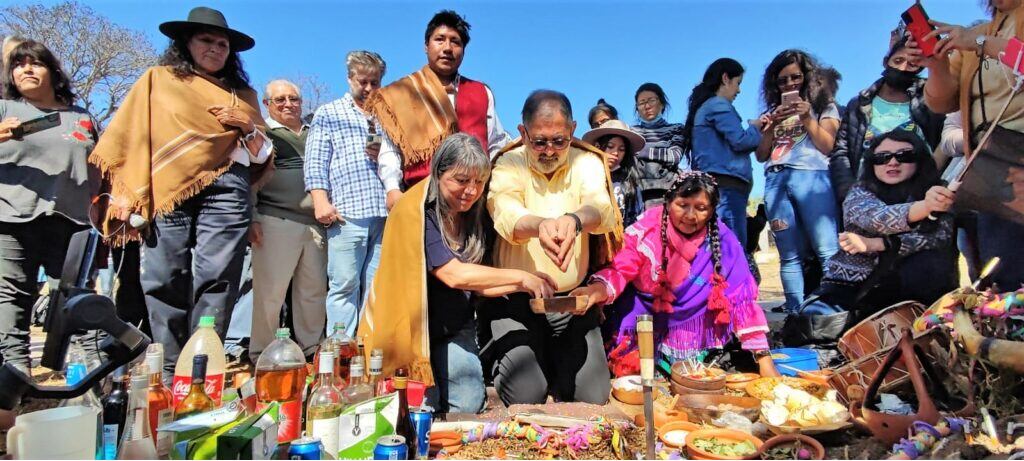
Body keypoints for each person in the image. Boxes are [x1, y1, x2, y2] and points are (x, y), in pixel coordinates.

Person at [90, 7, 271, 374]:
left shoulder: (243, 95)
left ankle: (203, 366)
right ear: (185, 43)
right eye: (206, 40)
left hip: (229, 187)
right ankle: (170, 366)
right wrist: (125, 191)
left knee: (219, 277)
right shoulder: (158, 80)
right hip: (167, 188)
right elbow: (132, 137)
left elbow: (263, 155)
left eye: (223, 44)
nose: (216, 48)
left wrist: (246, 125)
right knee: (163, 274)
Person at [358, 133, 555, 413]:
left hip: (455, 327)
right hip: (412, 330)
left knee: (467, 405)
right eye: (461, 181)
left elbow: (480, 285)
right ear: (438, 173)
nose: (471, 191)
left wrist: (529, 283)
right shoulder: (418, 212)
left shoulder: (476, 215)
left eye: (478, 182)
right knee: (418, 408)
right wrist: (521, 277)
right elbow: (454, 275)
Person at [481, 90, 623, 405]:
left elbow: (602, 209)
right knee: (526, 394)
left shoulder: (588, 161)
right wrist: (540, 225)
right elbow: (503, 210)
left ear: (572, 130)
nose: (549, 150)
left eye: (559, 141)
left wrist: (574, 221)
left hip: (571, 303)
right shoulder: (508, 161)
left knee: (593, 396)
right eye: (539, 141)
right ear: (523, 133)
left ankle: (553, 360)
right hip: (515, 301)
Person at [571, 172, 779, 377]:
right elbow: (620, 269)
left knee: (700, 376)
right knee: (631, 373)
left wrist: (765, 362)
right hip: (641, 325)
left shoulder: (725, 242)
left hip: (694, 337)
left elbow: (743, 302)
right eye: (682, 205)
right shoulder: (645, 231)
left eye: (701, 208)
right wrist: (595, 292)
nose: (690, 215)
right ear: (669, 202)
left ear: (712, 211)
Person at [0, 40, 98, 369]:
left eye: (35, 63)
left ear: (53, 72)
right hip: (12, 217)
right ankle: (13, 380)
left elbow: (101, 164)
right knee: (11, 299)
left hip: (73, 221)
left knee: (77, 297)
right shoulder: (4, 110)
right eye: (18, 64)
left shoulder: (80, 117)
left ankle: (88, 374)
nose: (26, 69)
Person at [915, 0, 1024, 290]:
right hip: (994, 169)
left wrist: (979, 42)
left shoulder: (976, 37)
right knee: (1003, 277)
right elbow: (940, 103)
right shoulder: (976, 34)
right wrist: (936, 66)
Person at [798, 130, 957, 319]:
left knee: (931, 262)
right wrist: (926, 206)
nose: (892, 162)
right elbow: (877, 219)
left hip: (914, 282)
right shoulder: (858, 192)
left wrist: (880, 244)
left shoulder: (937, 190)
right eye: (881, 158)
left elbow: (939, 237)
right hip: (857, 285)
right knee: (813, 319)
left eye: (904, 156)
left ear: (920, 159)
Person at [372, 10, 512, 210]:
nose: (447, 48)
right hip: (421, 199)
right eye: (440, 39)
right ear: (426, 46)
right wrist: (392, 188)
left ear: (463, 50)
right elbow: (390, 149)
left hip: (473, 202)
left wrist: (492, 185)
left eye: (455, 42)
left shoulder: (481, 92)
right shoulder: (401, 93)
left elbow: (496, 144)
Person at [304, 51, 389, 339]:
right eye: (363, 81)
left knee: (376, 286)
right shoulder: (329, 113)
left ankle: (365, 351)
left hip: (384, 212)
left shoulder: (386, 118)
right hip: (346, 212)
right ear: (350, 78)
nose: (368, 88)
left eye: (374, 82)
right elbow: (316, 160)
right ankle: (339, 351)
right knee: (343, 284)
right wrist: (320, 200)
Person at [755, 50, 842, 312]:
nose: (790, 84)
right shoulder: (773, 111)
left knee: (827, 249)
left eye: (796, 77)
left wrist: (806, 118)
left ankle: (833, 311)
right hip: (775, 179)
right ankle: (796, 313)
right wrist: (770, 128)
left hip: (811, 177)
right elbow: (761, 155)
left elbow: (829, 145)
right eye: (782, 81)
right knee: (789, 256)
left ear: (808, 77)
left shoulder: (824, 107)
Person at [247, 79, 326, 361]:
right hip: (275, 220)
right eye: (280, 100)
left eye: (293, 99)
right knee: (270, 293)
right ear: (267, 104)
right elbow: (250, 179)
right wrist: (252, 217)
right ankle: (261, 356)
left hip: (316, 225)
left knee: (313, 293)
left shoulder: (315, 132)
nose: (288, 104)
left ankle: (313, 353)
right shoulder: (262, 133)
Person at [830, 37, 945, 206]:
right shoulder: (859, 104)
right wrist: (849, 193)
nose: (903, 67)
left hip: (918, 195)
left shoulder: (929, 100)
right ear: (886, 62)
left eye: (912, 64)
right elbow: (841, 151)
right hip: (867, 197)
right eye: (897, 60)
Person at [684, 58, 765, 248]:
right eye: (738, 83)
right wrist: (755, 127)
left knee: (719, 247)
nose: (739, 90)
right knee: (733, 249)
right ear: (725, 78)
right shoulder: (718, 105)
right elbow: (741, 141)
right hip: (727, 188)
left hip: (717, 187)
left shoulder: (706, 107)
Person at [582, 119, 646, 226]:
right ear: (598, 146)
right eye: (610, 147)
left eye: (621, 149)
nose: (616, 153)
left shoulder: (629, 183)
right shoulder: (584, 177)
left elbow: (637, 218)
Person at [633, 82, 687, 207]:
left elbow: (674, 156)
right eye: (641, 103)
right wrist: (660, 151)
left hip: (667, 192)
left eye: (651, 100)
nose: (647, 106)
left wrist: (640, 150)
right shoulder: (631, 131)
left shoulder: (676, 128)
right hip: (637, 192)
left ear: (662, 103)